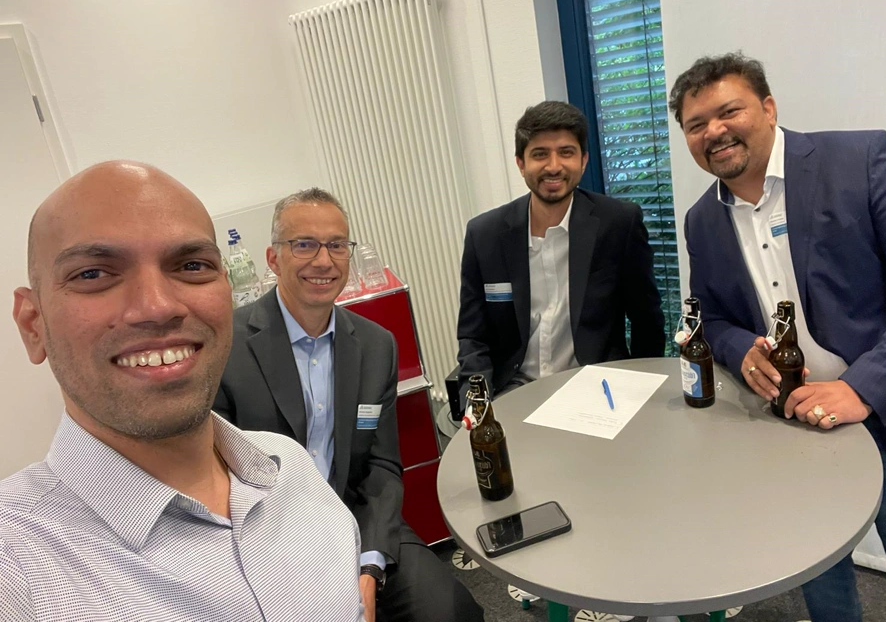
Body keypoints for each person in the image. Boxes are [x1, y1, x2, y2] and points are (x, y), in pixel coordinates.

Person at [1, 162, 364, 621]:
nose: (157, 307)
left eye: (192, 266)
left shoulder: (291, 471)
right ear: (33, 325)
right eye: (92, 274)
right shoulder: (17, 569)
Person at [672, 52, 886, 622]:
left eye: (729, 111)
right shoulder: (701, 220)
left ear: (769, 108)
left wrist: (862, 388)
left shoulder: (864, 159)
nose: (714, 131)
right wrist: (739, 350)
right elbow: (712, 318)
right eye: (695, 124)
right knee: (820, 583)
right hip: (793, 426)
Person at [215, 189, 483, 622]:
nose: (324, 261)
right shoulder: (226, 347)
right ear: (273, 258)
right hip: (265, 536)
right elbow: (214, 479)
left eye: (337, 245)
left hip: (356, 519)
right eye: (305, 244)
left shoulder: (376, 346)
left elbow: (381, 466)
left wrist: (369, 566)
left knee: (451, 611)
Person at [457, 100, 665, 404]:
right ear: (521, 163)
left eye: (566, 152)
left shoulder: (618, 223)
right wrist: (477, 402)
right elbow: (473, 336)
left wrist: (642, 389)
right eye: (540, 154)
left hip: (599, 386)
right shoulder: (485, 235)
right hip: (515, 389)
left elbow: (647, 320)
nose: (553, 166)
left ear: (583, 161)